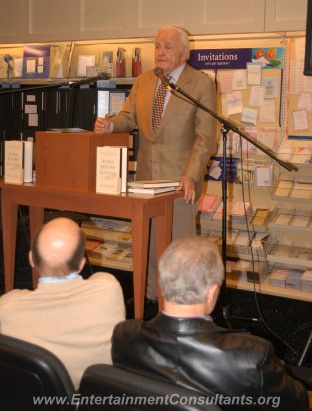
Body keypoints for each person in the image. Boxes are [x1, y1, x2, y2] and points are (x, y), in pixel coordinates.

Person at [112, 237, 310, 410]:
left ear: (162, 285)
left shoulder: (124, 337)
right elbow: (297, 402)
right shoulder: (250, 356)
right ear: (213, 293)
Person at [94, 25, 217, 303]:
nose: (160, 52)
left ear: (185, 52)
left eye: (168, 47)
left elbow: (204, 138)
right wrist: (111, 124)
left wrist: (191, 175)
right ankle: (150, 303)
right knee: (147, 247)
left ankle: (181, 308)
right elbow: (129, 117)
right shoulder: (144, 80)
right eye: (157, 46)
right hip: (146, 182)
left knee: (181, 252)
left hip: (179, 183)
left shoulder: (201, 84)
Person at [0, 217, 125, 389]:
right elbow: (99, 278)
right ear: (81, 264)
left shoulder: (6, 308)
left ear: (31, 259)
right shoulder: (108, 290)